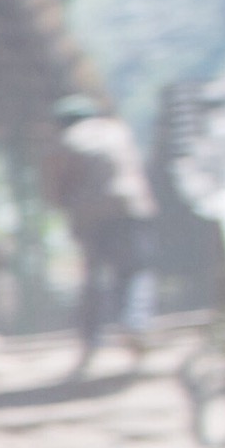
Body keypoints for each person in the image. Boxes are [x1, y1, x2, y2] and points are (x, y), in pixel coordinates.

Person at [47, 91, 159, 367]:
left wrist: (69, 209)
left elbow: (56, 190)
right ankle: (136, 323)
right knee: (134, 271)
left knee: (94, 278)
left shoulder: (65, 141)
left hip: (89, 217)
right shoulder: (117, 132)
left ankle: (91, 338)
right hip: (129, 209)